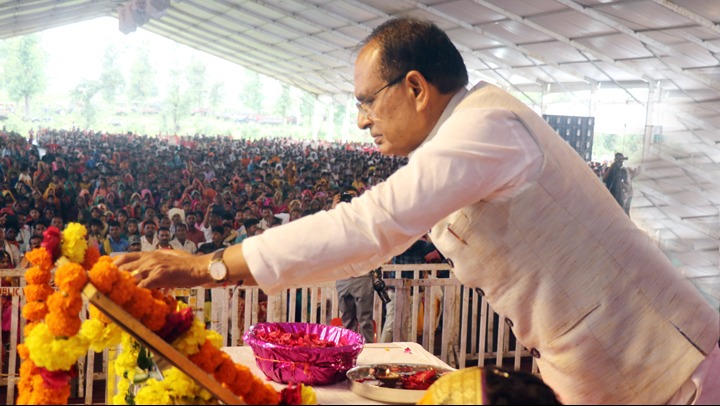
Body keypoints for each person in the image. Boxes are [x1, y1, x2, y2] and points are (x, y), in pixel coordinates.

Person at [116, 18, 720, 405]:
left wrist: (212, 266)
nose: (360, 120)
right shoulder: (464, 135)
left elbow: (370, 225)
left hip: (662, 367)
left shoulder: (487, 126)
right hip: (594, 363)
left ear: (414, 87)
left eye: (366, 101)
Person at [332, 187, 375, 344]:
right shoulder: (335, 220)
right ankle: (350, 352)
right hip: (343, 276)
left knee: (364, 321)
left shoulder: (365, 219)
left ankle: (369, 353)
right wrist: (333, 211)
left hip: (362, 275)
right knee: (347, 320)